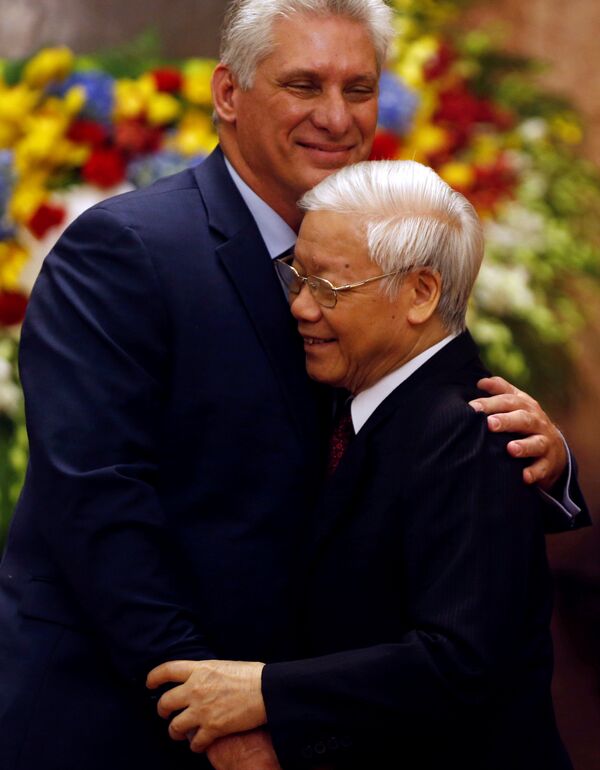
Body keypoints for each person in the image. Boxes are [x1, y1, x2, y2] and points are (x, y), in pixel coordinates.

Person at [0, 2, 586, 769]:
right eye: (304, 85)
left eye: (360, 87)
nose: (336, 118)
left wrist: (543, 458)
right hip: (130, 716)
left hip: (300, 715)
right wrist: (221, 720)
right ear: (227, 93)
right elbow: (101, 506)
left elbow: (436, 407)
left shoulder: (390, 229)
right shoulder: (126, 251)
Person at [148, 159, 583, 769]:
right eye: (297, 275)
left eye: (327, 287)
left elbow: (460, 663)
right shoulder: (355, 395)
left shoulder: (469, 432)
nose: (299, 307)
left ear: (420, 294)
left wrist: (264, 692)